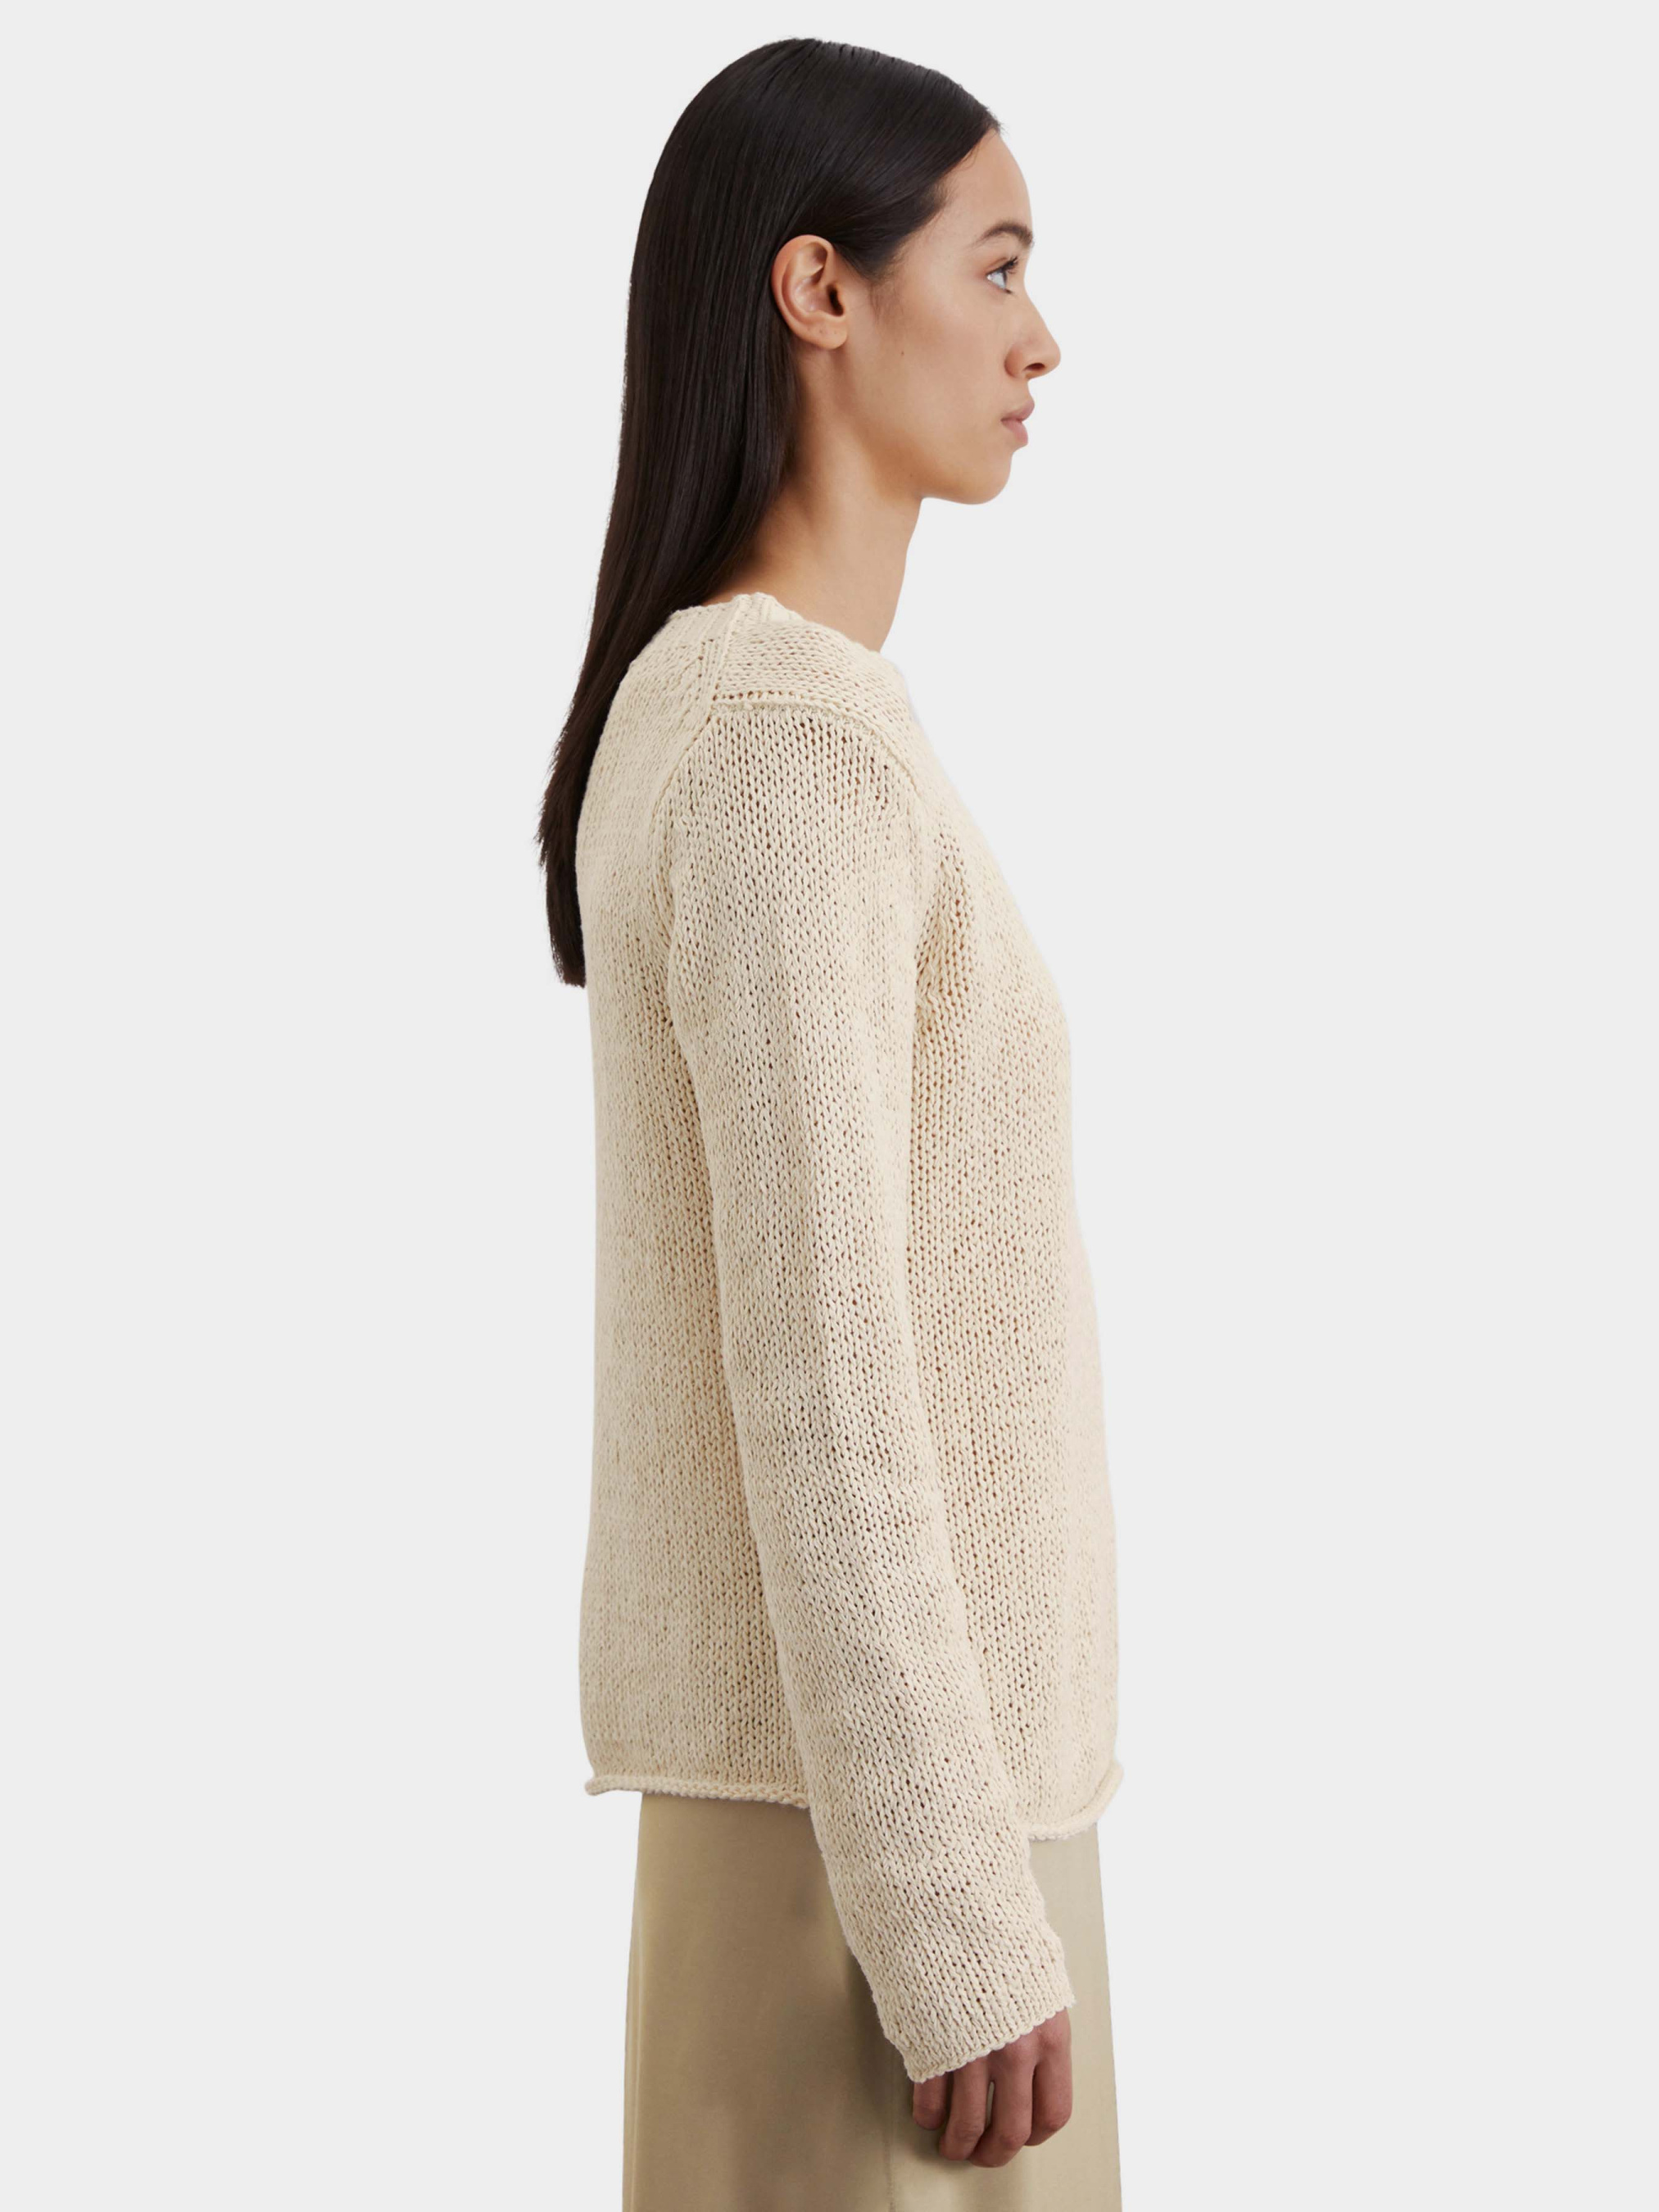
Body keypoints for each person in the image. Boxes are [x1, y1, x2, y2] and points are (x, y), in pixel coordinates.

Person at [538, 38, 1124, 2209]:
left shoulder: (752, 714)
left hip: (869, 1833)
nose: (1040, 339)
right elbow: (826, 1377)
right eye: (997, 265)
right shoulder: (784, 745)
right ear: (820, 290)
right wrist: (953, 1918)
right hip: (873, 1883)